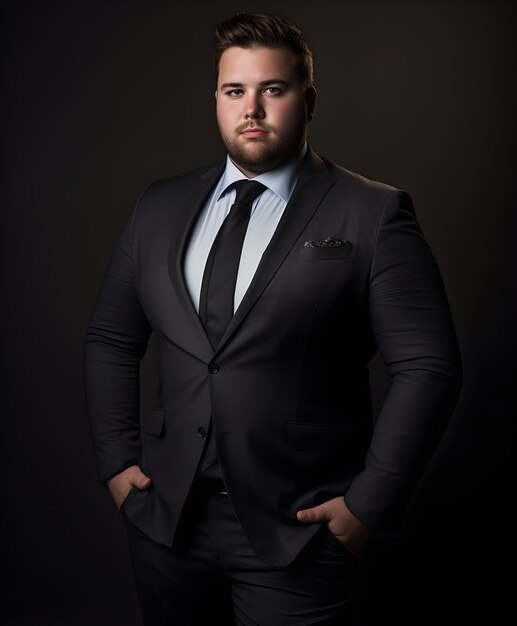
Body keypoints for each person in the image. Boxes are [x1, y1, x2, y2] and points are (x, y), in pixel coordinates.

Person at [84, 11, 462, 626]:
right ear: (217, 99)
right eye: (235, 91)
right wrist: (116, 463)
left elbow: (429, 365)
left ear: (307, 100)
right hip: (165, 520)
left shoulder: (373, 214)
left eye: (273, 90)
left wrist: (367, 505)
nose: (251, 109)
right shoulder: (158, 206)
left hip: (298, 533)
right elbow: (109, 338)